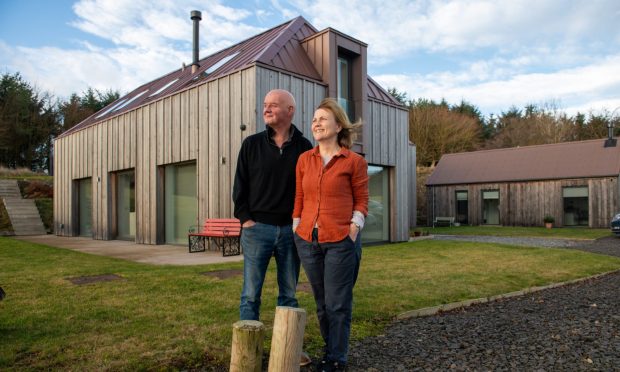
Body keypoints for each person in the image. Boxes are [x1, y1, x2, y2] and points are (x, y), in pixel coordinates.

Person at [232, 89, 313, 365]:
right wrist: (247, 221)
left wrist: (301, 225)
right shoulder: (251, 144)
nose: (266, 109)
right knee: (250, 294)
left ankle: (289, 350)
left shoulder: (305, 148)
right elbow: (239, 188)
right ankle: (247, 353)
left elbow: (311, 190)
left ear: (290, 110)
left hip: (291, 233)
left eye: (273, 105)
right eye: (265, 105)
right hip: (258, 230)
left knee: (289, 293)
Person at [292, 98, 369, 371]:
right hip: (308, 240)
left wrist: (354, 227)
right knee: (322, 302)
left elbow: (361, 199)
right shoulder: (304, 160)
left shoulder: (354, 161)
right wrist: (296, 226)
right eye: (314, 119)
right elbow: (300, 196)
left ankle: (337, 358)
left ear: (338, 125)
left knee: (338, 303)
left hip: (340, 240)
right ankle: (330, 351)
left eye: (323, 118)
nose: (316, 123)